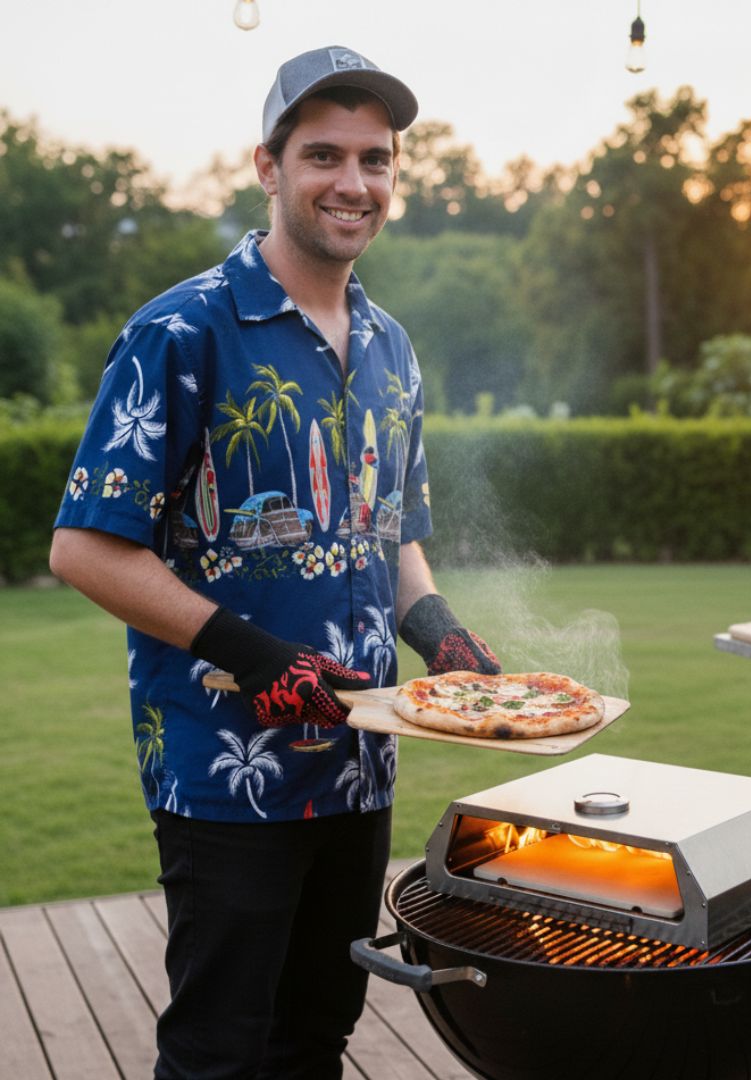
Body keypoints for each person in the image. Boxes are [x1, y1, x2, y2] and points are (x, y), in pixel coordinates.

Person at [49, 45, 499, 1080]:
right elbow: (83, 546)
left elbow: (394, 534)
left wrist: (438, 633)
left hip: (361, 765)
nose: (354, 183)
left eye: (376, 160)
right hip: (224, 770)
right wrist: (260, 658)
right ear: (269, 165)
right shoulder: (182, 328)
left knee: (317, 1036)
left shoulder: (391, 346)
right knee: (219, 1050)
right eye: (324, 155)